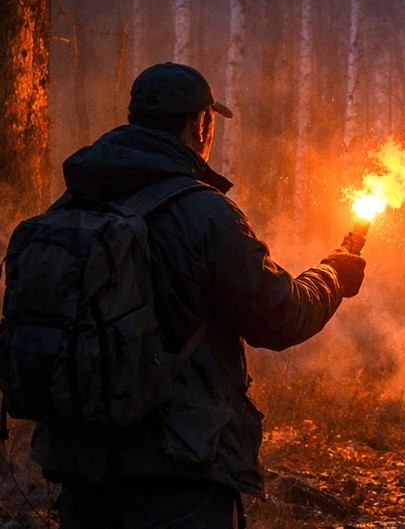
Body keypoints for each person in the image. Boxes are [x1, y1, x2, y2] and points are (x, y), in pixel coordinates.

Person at [28, 62, 366, 528]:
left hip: (80, 466)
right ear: (199, 125)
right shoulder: (205, 212)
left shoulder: (74, 201)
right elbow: (280, 316)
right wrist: (333, 274)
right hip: (177, 469)